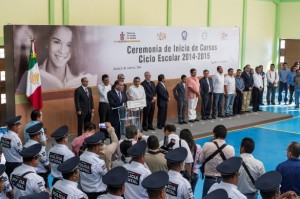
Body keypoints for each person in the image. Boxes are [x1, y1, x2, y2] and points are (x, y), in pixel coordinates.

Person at [17, 26, 97, 92]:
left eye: (69, 45)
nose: (62, 51)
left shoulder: (85, 79)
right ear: (47, 43)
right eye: (57, 42)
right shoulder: (30, 76)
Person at [200, 124, 235, 197]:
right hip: (223, 181)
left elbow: (201, 160)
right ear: (225, 135)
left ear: (214, 134)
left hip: (209, 180)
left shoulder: (207, 145)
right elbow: (231, 166)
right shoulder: (231, 149)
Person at [78, 133, 108, 199]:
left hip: (85, 191)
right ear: (96, 147)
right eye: (100, 145)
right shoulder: (99, 162)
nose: (100, 147)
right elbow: (106, 176)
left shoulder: (81, 157)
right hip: (98, 194)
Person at [24, 123, 51, 188]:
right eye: (41, 133)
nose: (42, 135)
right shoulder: (39, 148)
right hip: (41, 175)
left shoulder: (25, 145)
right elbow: (46, 164)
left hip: (29, 173)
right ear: (37, 135)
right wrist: (50, 170)